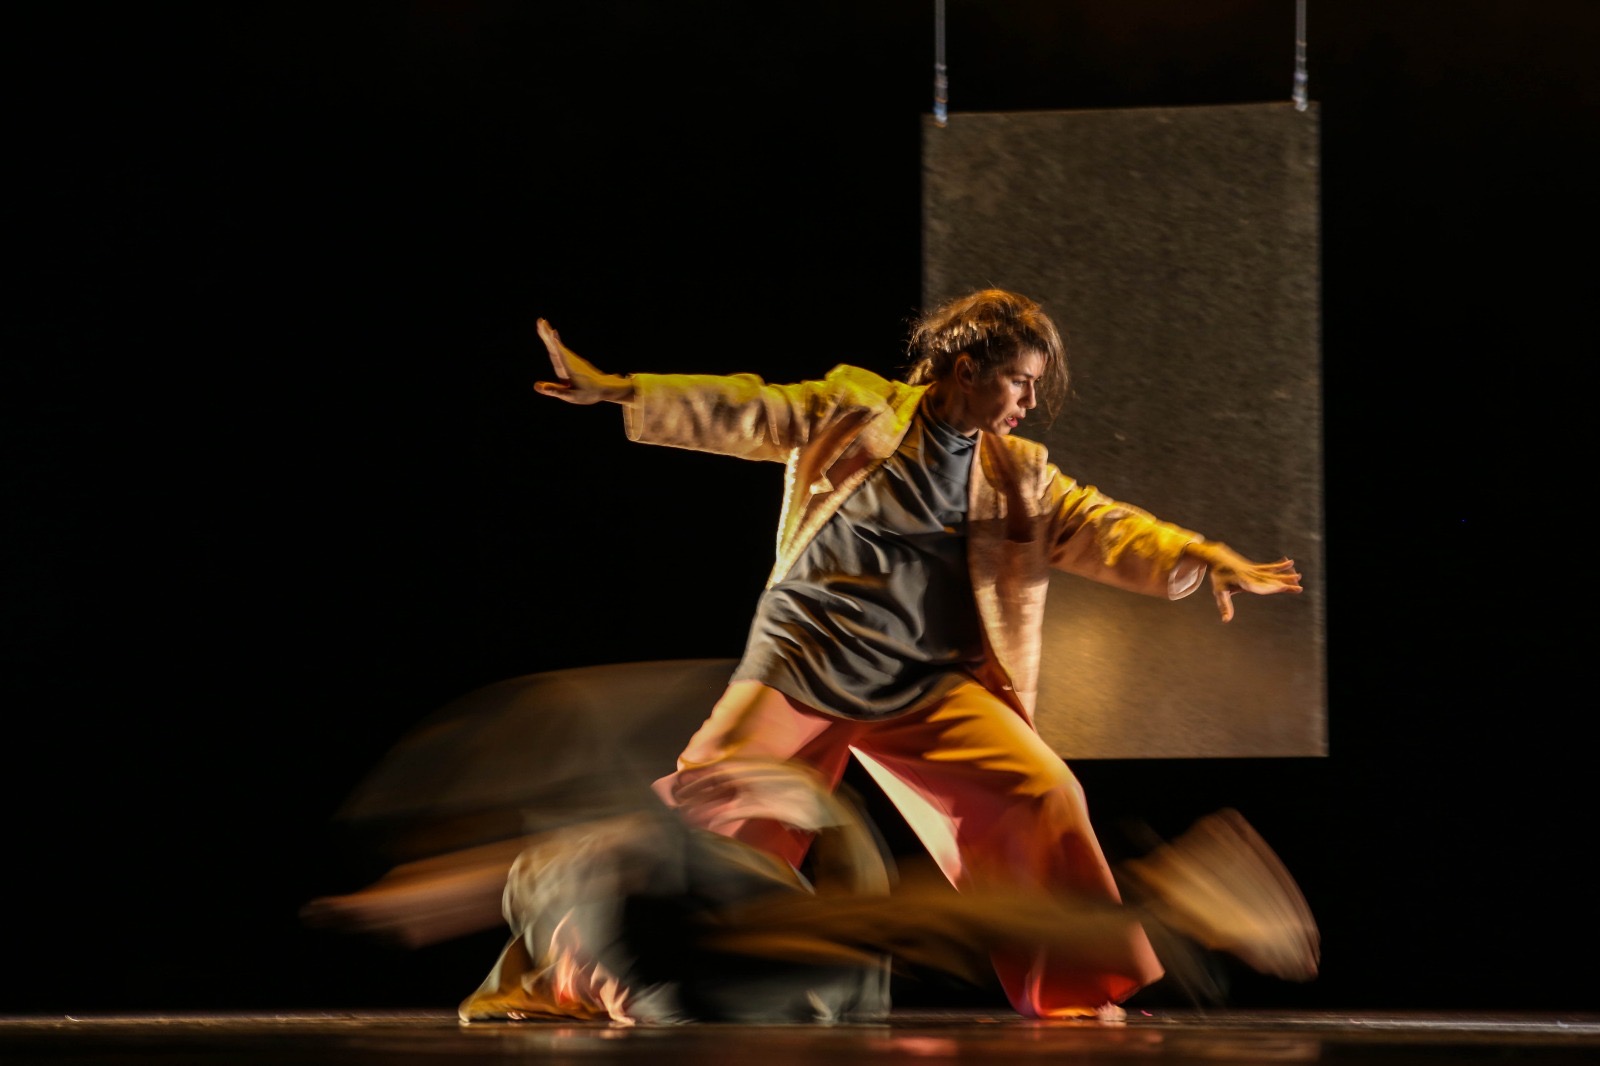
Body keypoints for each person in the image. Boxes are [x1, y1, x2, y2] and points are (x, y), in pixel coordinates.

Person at [517, 288, 1305, 1020]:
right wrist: (620, 390)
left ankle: (1076, 989)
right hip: (807, 659)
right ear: (967, 370)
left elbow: (1102, 524)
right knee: (717, 806)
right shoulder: (856, 410)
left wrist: (1202, 556)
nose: (1029, 402)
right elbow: (750, 408)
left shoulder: (1016, 473)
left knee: (1041, 792)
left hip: (925, 682)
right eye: (1020, 381)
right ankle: (571, 971)